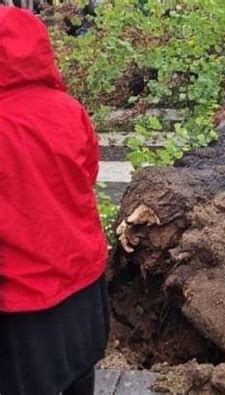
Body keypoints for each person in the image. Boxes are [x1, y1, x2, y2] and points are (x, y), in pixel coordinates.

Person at [0, 8, 109, 395]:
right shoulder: (69, 110)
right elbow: (87, 175)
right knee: (81, 379)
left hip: (26, 314)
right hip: (85, 291)